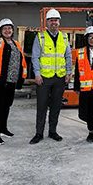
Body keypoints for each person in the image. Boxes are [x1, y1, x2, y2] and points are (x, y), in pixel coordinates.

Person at [29, 8, 72, 144]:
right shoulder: (40, 37)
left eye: (56, 20)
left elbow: (68, 56)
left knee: (56, 106)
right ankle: (39, 133)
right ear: (47, 22)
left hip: (59, 77)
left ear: (59, 22)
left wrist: (68, 72)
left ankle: (52, 131)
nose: (54, 22)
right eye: (51, 20)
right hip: (44, 78)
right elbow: (35, 57)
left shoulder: (64, 37)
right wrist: (37, 74)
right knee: (41, 106)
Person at [0, 18, 27, 145]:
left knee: (7, 105)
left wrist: (20, 79)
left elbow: (21, 62)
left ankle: (3, 128)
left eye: (9, 28)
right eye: (5, 29)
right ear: (0, 31)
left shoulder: (16, 44)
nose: (7, 31)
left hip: (11, 81)